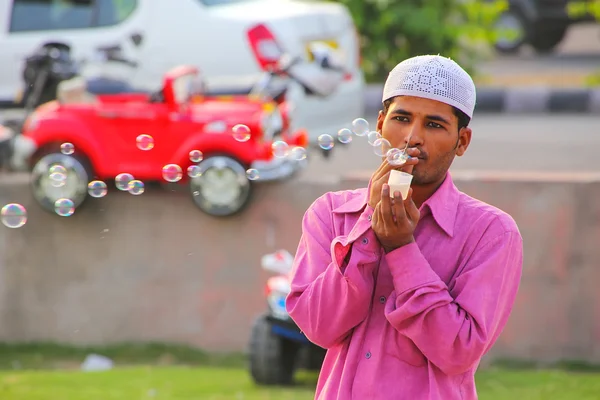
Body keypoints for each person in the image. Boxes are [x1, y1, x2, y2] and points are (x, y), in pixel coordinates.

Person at [285, 55, 523, 400]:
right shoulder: (332, 213)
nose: (413, 137)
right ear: (381, 124)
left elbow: (458, 351)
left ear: (462, 141)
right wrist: (368, 223)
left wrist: (401, 248)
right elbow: (320, 327)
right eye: (401, 118)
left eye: (435, 125)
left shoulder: (492, 232)